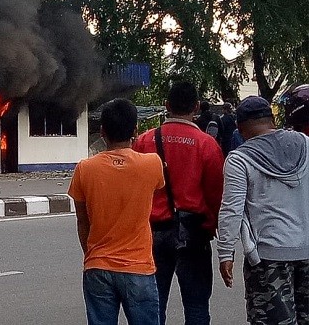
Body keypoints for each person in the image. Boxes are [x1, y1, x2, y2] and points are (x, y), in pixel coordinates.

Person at [132, 82, 225, 325]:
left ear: (166, 106)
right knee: (196, 306)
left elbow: (135, 189)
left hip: (153, 234)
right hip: (194, 234)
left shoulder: (143, 141)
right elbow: (216, 195)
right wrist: (213, 227)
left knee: (154, 305)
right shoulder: (207, 144)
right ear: (196, 107)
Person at [68, 98, 165, 325]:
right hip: (139, 267)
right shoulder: (151, 163)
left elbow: (82, 221)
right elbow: (160, 187)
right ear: (135, 130)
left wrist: (93, 254)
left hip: (98, 265)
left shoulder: (85, 168)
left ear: (102, 131)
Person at [217, 96, 309, 324]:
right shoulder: (306, 144)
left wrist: (226, 253)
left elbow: (231, 209)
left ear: (240, 128)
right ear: (273, 119)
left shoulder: (239, 159)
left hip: (268, 258)